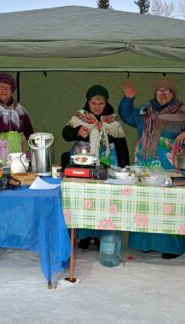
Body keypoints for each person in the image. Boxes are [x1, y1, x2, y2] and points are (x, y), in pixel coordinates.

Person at [118, 77, 185, 259]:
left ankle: (171, 246)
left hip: (170, 167)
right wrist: (127, 100)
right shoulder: (146, 110)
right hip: (143, 166)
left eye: (167, 91)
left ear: (174, 93)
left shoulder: (184, 112)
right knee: (145, 203)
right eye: (159, 90)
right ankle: (146, 243)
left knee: (169, 204)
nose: (163, 94)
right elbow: (127, 116)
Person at [62, 84, 129, 249]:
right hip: (85, 161)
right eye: (94, 103)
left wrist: (124, 167)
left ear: (106, 103)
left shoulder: (112, 120)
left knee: (106, 200)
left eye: (101, 103)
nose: (97, 107)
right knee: (85, 198)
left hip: (108, 163)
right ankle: (84, 236)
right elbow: (66, 134)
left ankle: (102, 236)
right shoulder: (81, 116)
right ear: (88, 102)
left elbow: (122, 145)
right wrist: (77, 131)